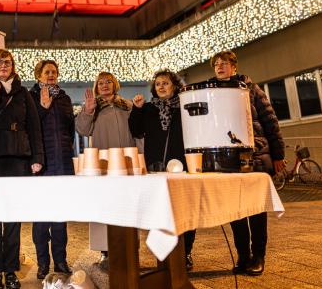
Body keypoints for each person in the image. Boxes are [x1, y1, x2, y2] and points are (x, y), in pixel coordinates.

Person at [209, 50, 285, 276]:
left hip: (254, 153)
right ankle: (242, 255)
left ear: (234, 66)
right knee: (235, 209)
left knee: (256, 208)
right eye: (216, 65)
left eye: (224, 64)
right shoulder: (209, 91)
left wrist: (278, 154)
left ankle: (258, 256)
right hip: (225, 157)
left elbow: (270, 120)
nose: (220, 67)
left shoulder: (251, 89)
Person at [0, 49, 44, 289]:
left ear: (13, 66)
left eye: (7, 62)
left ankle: (11, 270)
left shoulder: (23, 93)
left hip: (18, 157)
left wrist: (37, 157)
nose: (3, 65)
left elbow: (34, 128)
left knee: (14, 217)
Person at [129, 69, 196, 270]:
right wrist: (137, 109)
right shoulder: (148, 108)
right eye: (158, 84)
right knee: (159, 210)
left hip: (181, 165)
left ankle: (185, 253)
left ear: (174, 86)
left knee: (183, 210)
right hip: (155, 167)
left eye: (165, 83)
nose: (161, 87)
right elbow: (136, 130)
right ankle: (164, 253)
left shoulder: (184, 106)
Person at [75, 71, 134, 270]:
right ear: (96, 87)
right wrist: (88, 111)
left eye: (109, 81)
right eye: (101, 83)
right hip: (103, 164)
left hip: (126, 164)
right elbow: (82, 130)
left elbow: (138, 133)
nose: (105, 85)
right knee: (104, 206)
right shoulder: (93, 107)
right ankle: (104, 251)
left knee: (126, 206)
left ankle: (128, 248)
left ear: (115, 84)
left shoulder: (128, 106)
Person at [28, 59, 75, 280]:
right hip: (41, 165)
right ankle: (42, 263)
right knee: (41, 218)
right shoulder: (30, 97)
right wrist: (43, 107)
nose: (50, 75)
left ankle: (61, 260)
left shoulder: (64, 98)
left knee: (59, 216)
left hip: (63, 163)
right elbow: (30, 126)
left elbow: (70, 129)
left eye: (54, 72)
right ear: (38, 75)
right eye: (46, 72)